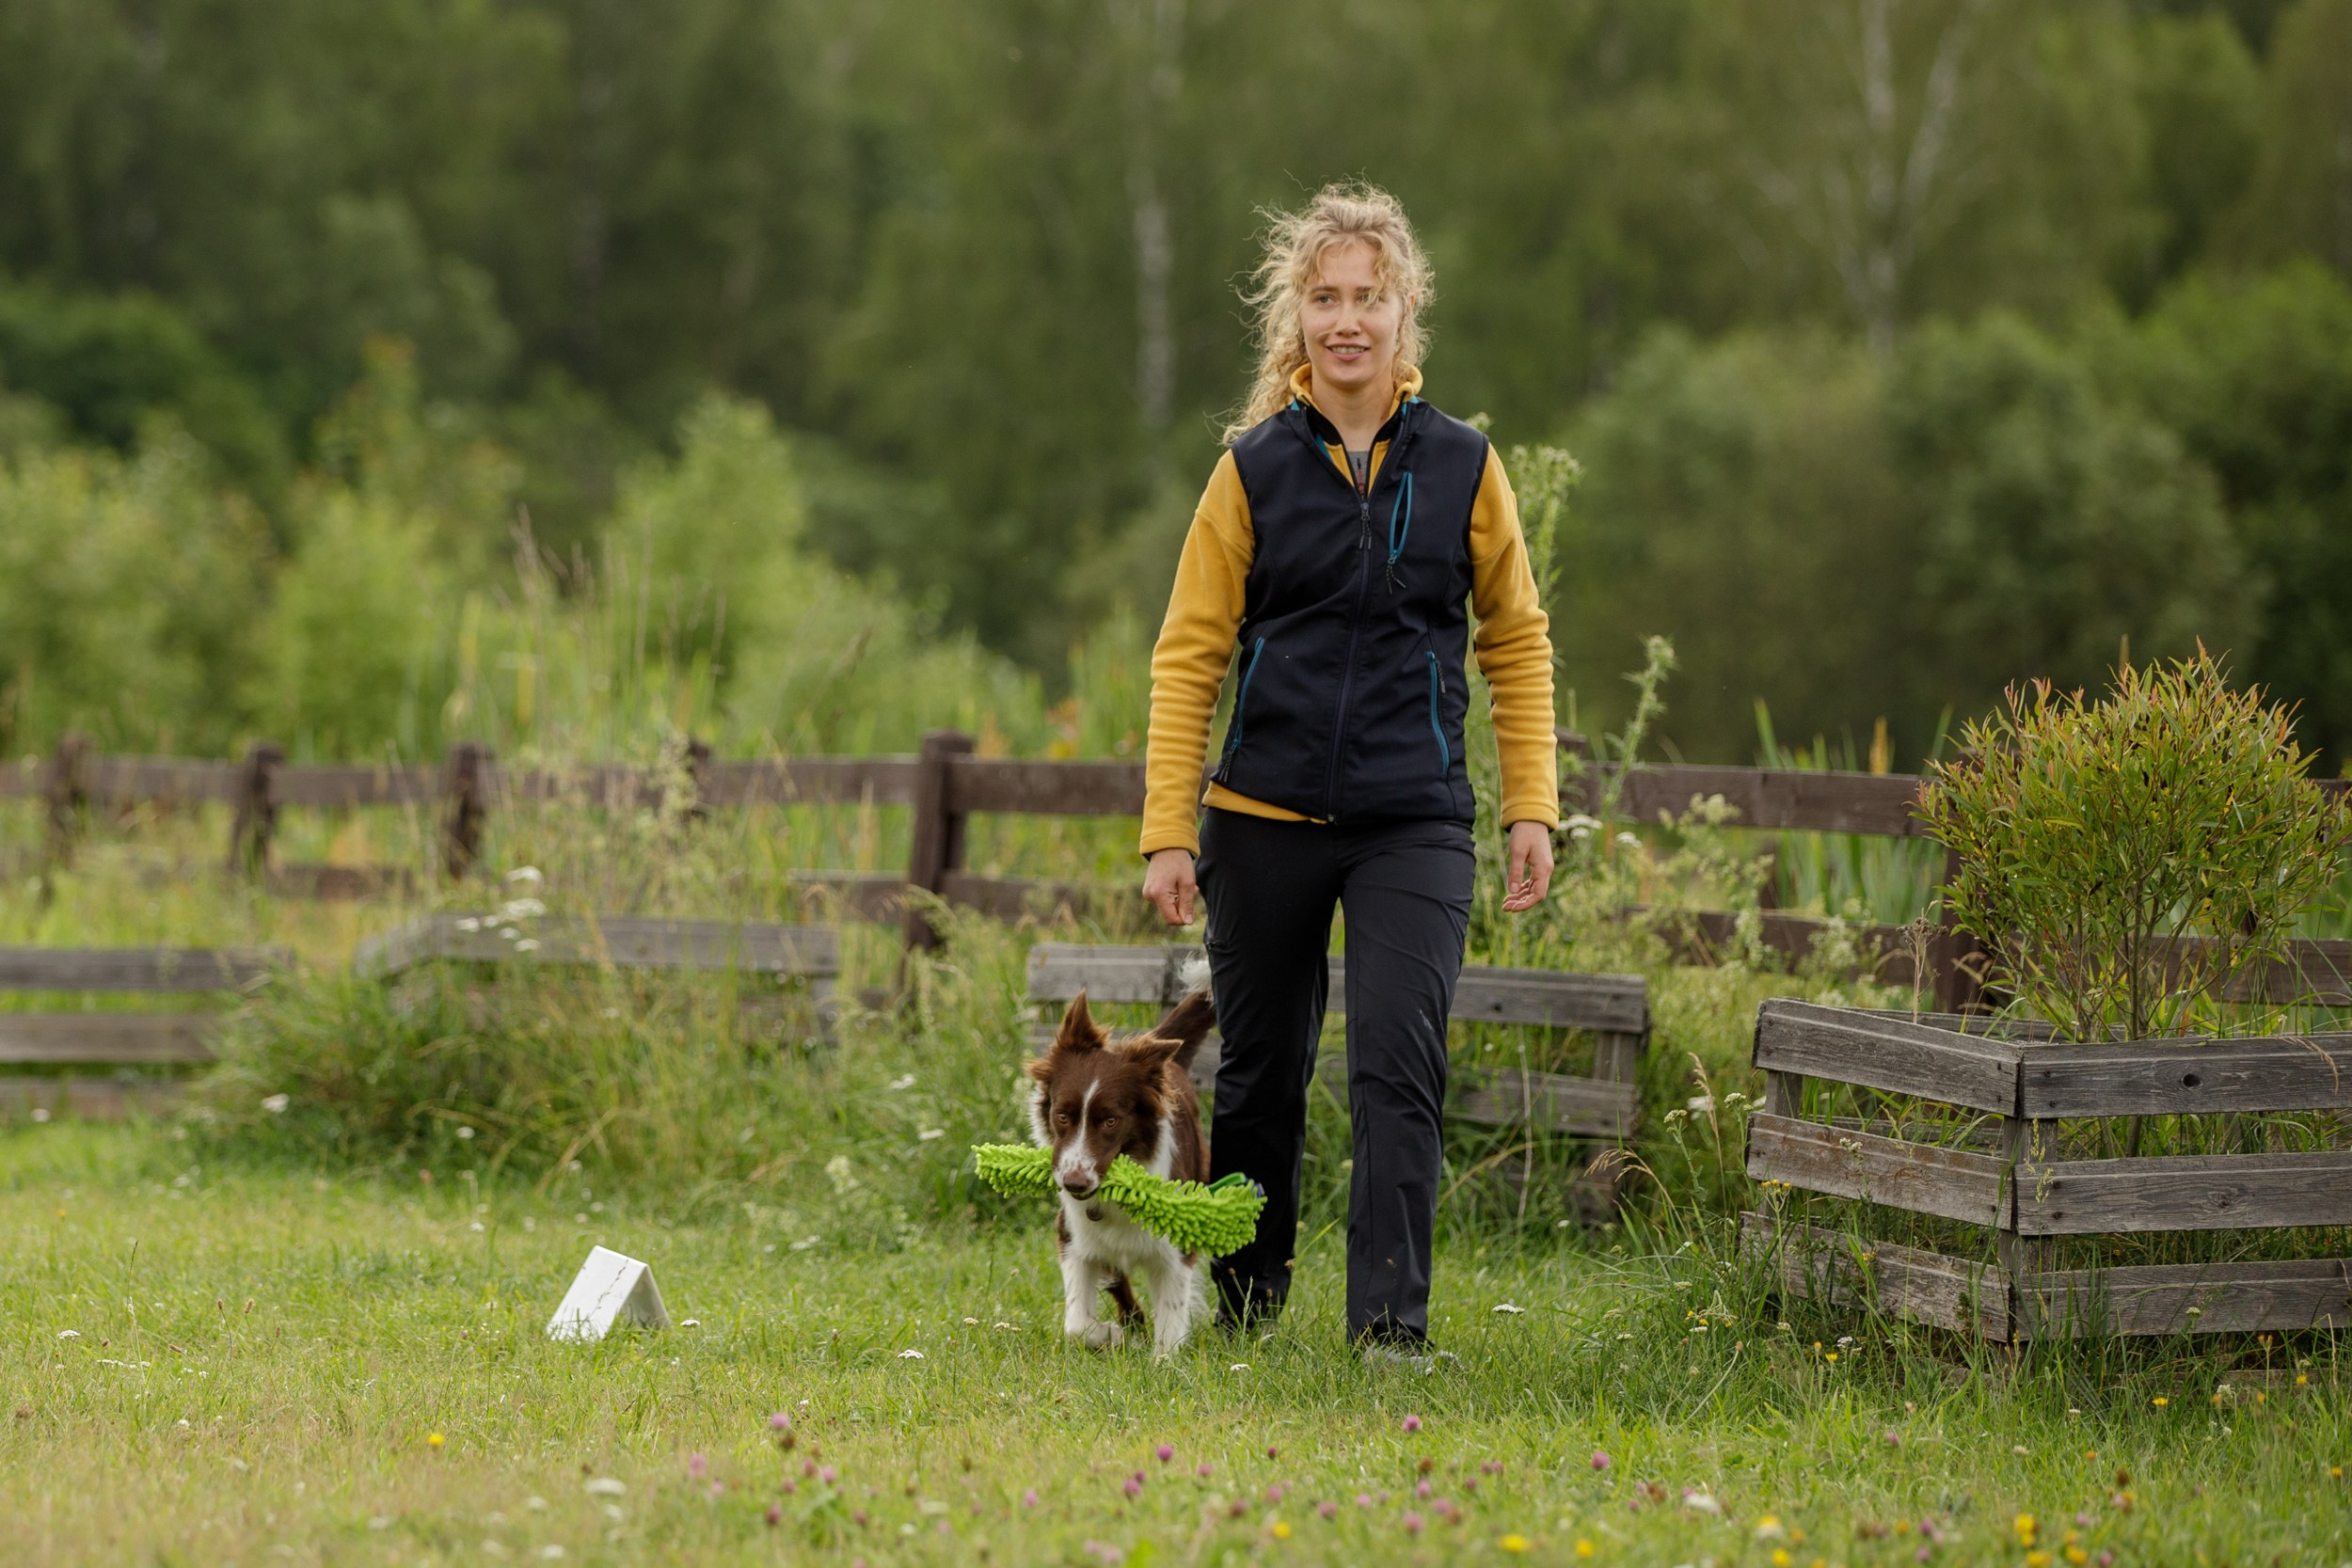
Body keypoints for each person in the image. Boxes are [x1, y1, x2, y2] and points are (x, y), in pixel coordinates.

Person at [1137, 182, 1560, 1360]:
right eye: (1325, 297)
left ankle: (1388, 1327)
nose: (1347, 320)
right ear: (1298, 316)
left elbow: (1515, 640)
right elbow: (1189, 654)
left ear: (1403, 308)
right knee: (1260, 1075)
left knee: (1398, 1062)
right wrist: (1170, 826)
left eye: (1368, 297)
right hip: (1259, 815)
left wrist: (1533, 804)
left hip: (1411, 819)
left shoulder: (1467, 467)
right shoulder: (1251, 471)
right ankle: (1247, 1304)